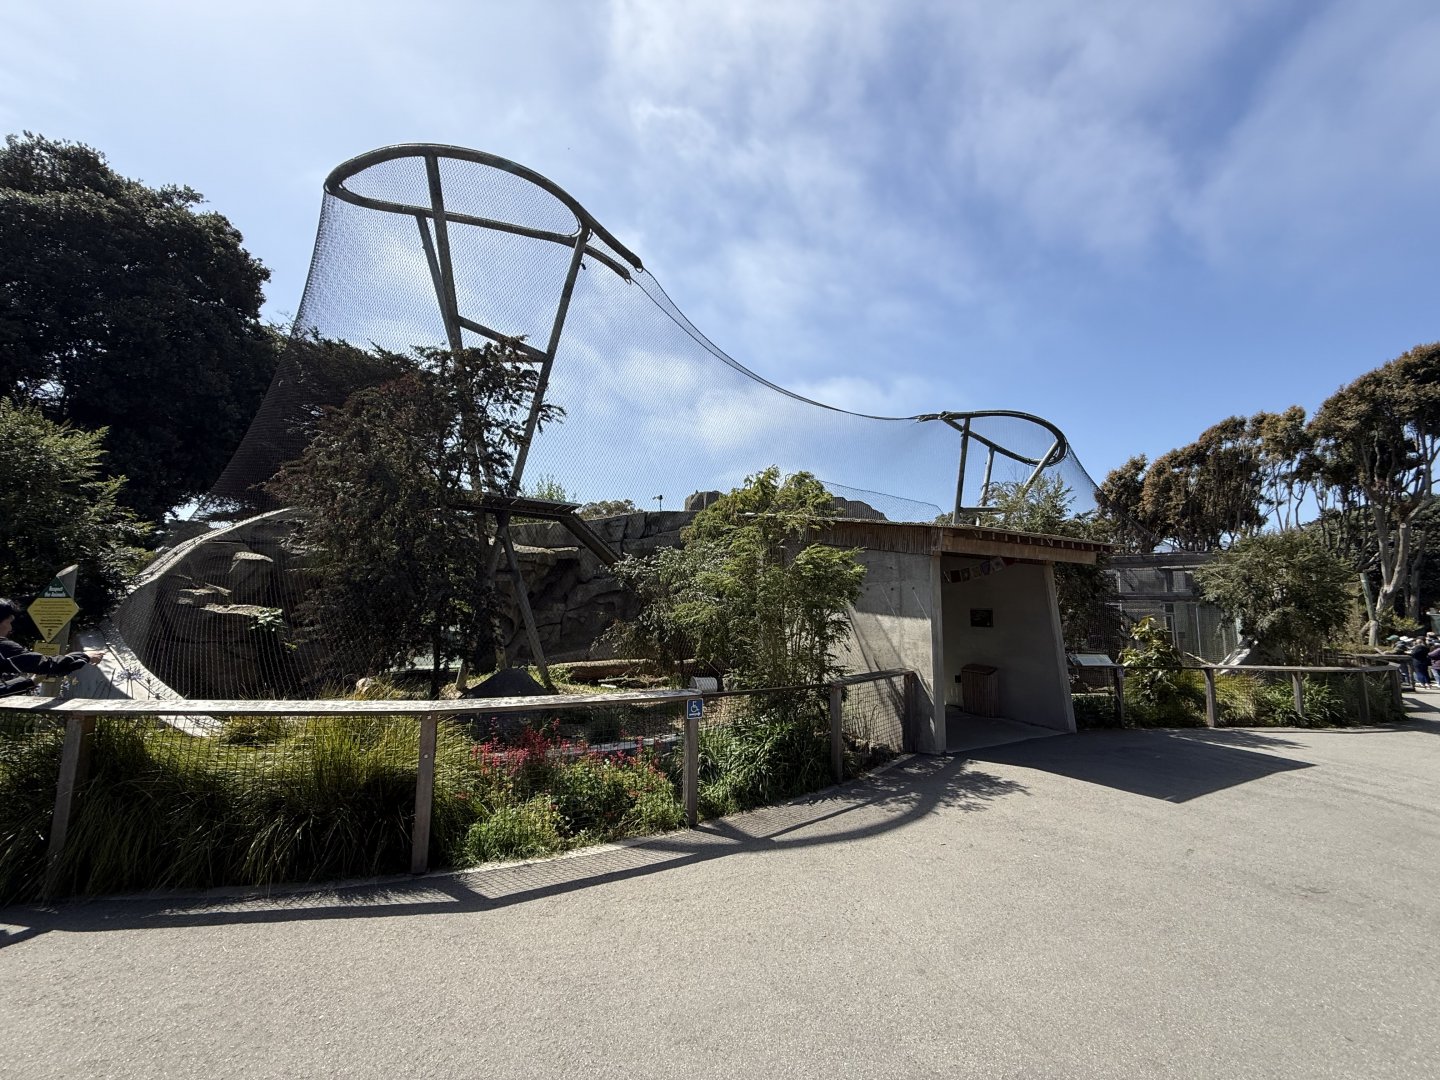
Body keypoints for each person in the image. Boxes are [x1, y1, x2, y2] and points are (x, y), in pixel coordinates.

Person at [0, 598, 102, 683]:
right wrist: (84, 656)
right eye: (9, 622)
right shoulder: (4, 647)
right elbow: (49, 665)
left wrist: (30, 682)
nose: (10, 628)